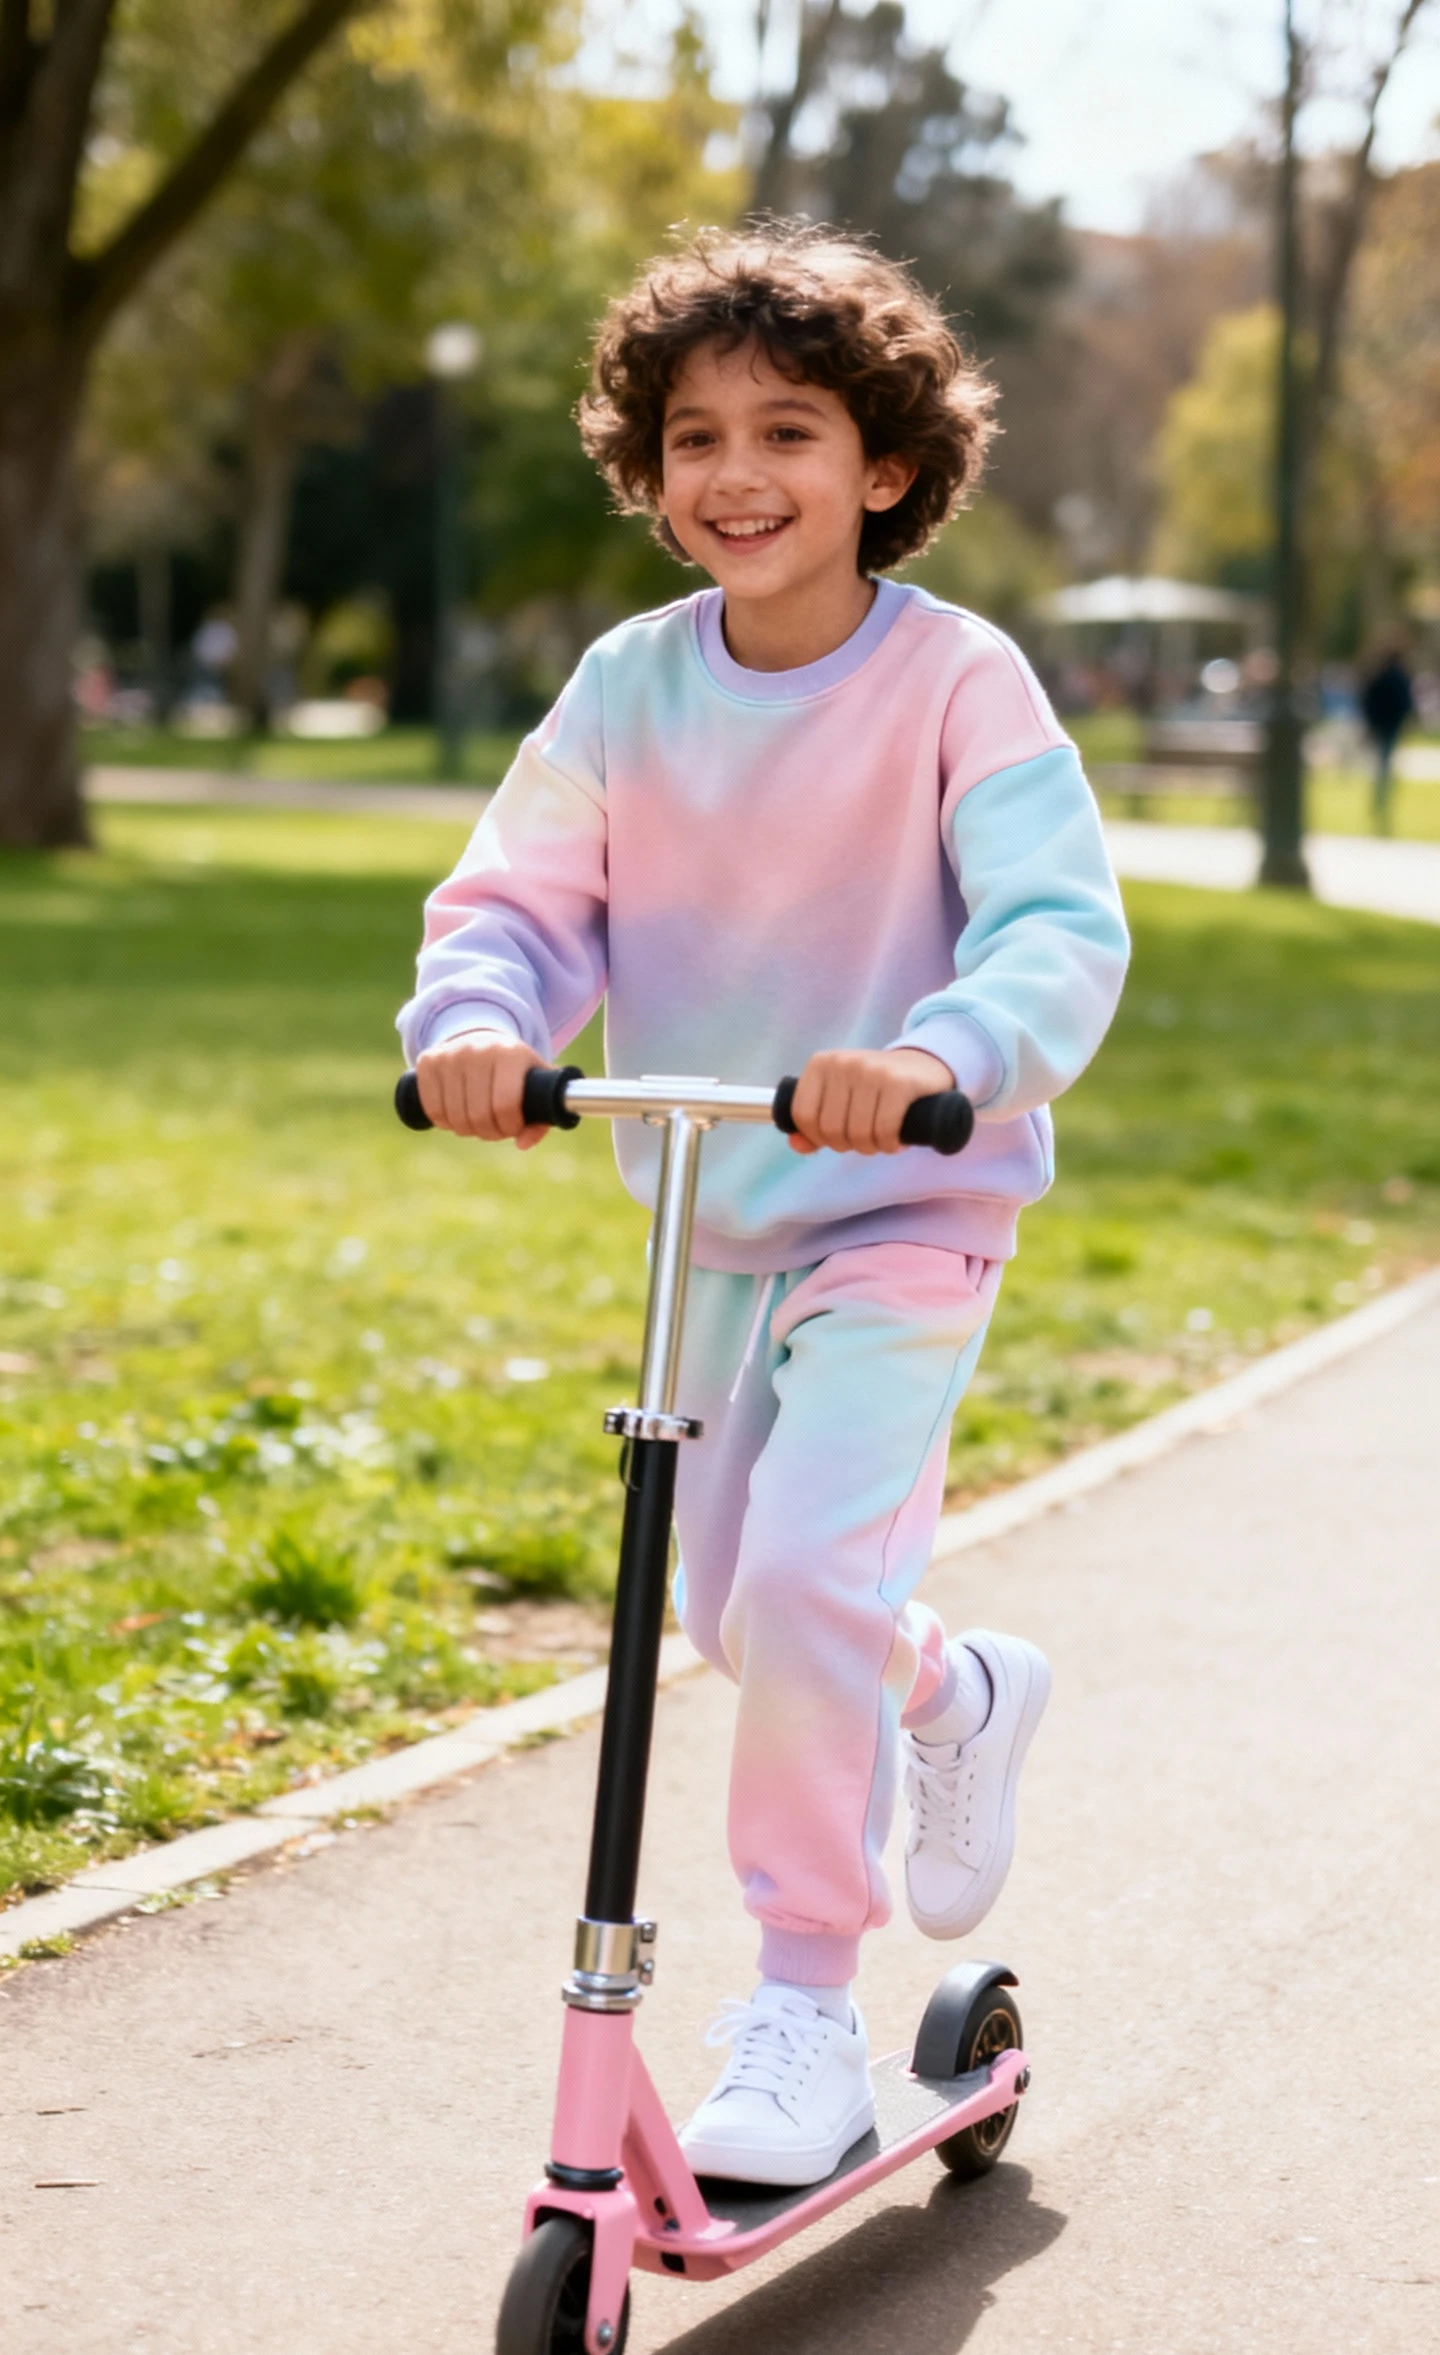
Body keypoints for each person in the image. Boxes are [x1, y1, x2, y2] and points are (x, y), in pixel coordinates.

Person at [399, 225, 1129, 2186]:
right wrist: (480, 1022)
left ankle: (804, 2002)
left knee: (802, 1582)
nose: (737, 471)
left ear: (885, 465)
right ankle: (957, 1691)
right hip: (708, 1213)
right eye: (694, 433)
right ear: (647, 471)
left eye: (789, 430)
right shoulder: (629, 686)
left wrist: (947, 1045)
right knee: (740, 1608)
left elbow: (1063, 922)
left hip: (909, 1205)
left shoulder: (957, 680)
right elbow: (520, 900)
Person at [1359, 639, 1416, 833]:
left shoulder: (1379, 675)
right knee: (1384, 764)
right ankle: (1381, 798)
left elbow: (1367, 701)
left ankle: (1380, 798)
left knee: (1382, 763)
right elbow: (1406, 704)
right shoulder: (1399, 677)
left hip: (1381, 726)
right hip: (1390, 727)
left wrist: (1370, 724)